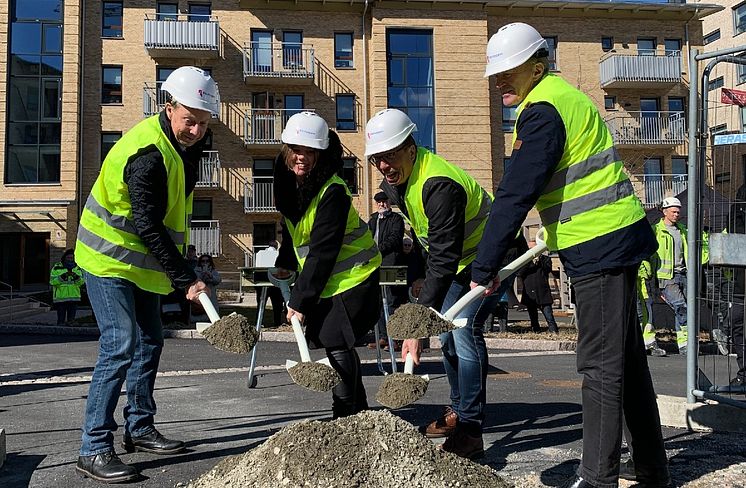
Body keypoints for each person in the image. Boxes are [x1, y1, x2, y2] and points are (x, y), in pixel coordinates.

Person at [471, 23, 669, 487]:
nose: (499, 79)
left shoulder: (542, 111)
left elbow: (515, 193)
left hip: (599, 245)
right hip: (612, 238)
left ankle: (597, 479)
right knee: (626, 362)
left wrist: (485, 266)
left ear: (537, 67)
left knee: (599, 366)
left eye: (509, 70)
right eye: (495, 72)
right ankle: (651, 469)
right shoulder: (565, 98)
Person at [74, 66, 219, 483]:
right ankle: (94, 446)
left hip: (139, 264)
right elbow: (147, 224)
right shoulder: (149, 154)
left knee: (151, 339)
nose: (195, 129)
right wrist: (186, 277)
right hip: (106, 259)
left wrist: (180, 262)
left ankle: (139, 427)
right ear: (168, 107)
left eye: (204, 122)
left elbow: (169, 215)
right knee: (121, 343)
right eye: (189, 119)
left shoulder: (183, 148)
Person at [365, 108, 501, 460]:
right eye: (377, 159)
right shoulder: (398, 184)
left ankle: (470, 430)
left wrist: (416, 326)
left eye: (390, 155)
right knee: (448, 339)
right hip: (456, 263)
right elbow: (431, 243)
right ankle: (458, 410)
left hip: (487, 259)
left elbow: (444, 255)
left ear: (411, 148)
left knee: (463, 335)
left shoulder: (437, 184)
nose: (384, 165)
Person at [272, 111, 382, 418]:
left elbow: (323, 250)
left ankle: (345, 412)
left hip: (354, 275)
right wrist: (286, 262)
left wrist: (300, 300)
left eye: (310, 152)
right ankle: (357, 412)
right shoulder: (290, 183)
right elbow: (294, 229)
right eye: (296, 150)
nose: (302, 158)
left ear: (321, 154)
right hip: (329, 278)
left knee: (336, 339)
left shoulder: (332, 190)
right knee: (337, 343)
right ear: (286, 149)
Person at [367, 191, 405, 350]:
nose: (381, 204)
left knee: (392, 302)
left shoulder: (396, 219)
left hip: (393, 264)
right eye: (379, 202)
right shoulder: (373, 219)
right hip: (375, 265)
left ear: (389, 202)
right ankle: (383, 337)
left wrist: (377, 249)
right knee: (377, 302)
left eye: (384, 201)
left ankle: (395, 339)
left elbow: (395, 239)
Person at [652, 197, 688, 355]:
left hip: (684, 273)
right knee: (681, 306)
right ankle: (686, 343)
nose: (676, 214)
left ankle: (684, 343)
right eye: (673, 211)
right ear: (665, 212)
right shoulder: (656, 231)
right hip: (667, 276)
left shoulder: (682, 230)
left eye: (678, 212)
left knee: (685, 309)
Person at [517, 239, 559, 334]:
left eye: (535, 248)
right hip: (530, 291)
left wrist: (539, 260)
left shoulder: (545, 259)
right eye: (530, 249)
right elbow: (520, 273)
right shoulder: (523, 260)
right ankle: (536, 330)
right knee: (533, 315)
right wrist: (529, 260)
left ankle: (554, 330)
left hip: (543, 291)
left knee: (548, 314)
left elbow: (547, 270)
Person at [637, 260, 667, 357]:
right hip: (629, 274)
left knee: (646, 309)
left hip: (643, 276)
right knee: (639, 312)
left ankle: (648, 343)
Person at [254, 240, 287, 327]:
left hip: (261, 281)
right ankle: (277, 322)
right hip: (275, 282)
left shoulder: (260, 253)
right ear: (276, 247)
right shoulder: (279, 254)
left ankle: (259, 322)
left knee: (261, 304)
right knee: (277, 305)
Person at [49, 249, 85, 325]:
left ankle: (70, 333)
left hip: (74, 297)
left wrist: (76, 277)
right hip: (61, 298)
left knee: (71, 321)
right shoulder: (57, 267)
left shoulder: (77, 268)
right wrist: (62, 277)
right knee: (61, 321)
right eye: (68, 258)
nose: (70, 260)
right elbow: (52, 282)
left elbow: (82, 282)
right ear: (64, 257)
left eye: (71, 258)